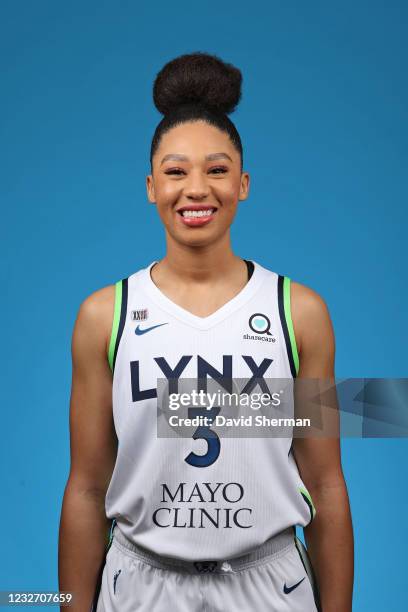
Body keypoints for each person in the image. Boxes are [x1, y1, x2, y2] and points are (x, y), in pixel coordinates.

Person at [58, 51, 354, 612]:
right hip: (140, 584)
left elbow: (327, 484)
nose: (196, 188)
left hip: (270, 585)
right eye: (176, 171)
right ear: (151, 186)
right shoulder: (105, 315)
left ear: (243, 184)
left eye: (216, 170)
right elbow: (86, 487)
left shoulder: (299, 311)